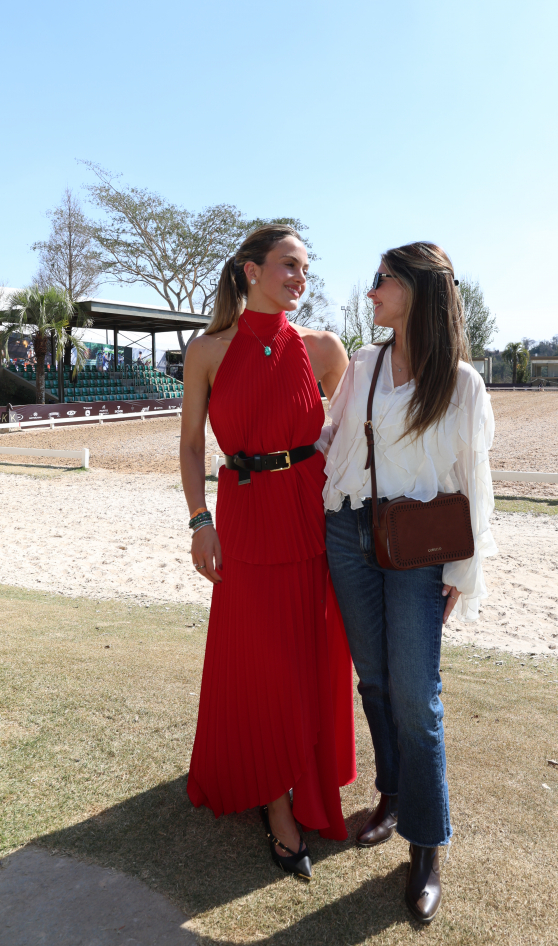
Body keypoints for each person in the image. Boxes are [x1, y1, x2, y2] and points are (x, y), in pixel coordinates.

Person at [322, 242, 497, 923]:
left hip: (418, 548)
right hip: (348, 533)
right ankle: (391, 797)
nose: (371, 292)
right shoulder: (363, 364)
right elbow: (329, 441)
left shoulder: (460, 383)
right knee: (373, 681)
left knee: (417, 699)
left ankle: (425, 847)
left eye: (382, 280)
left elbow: (475, 481)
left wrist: (463, 569)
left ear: (416, 291)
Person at [180, 224, 356, 881]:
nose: (300, 279)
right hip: (244, 516)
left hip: (311, 515)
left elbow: (355, 432)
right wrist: (200, 521)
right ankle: (276, 805)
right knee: (260, 660)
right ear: (251, 270)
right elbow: (192, 446)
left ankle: (306, 781)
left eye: (305, 268)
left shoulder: (324, 348)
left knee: (308, 657)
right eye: (288, 265)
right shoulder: (207, 350)